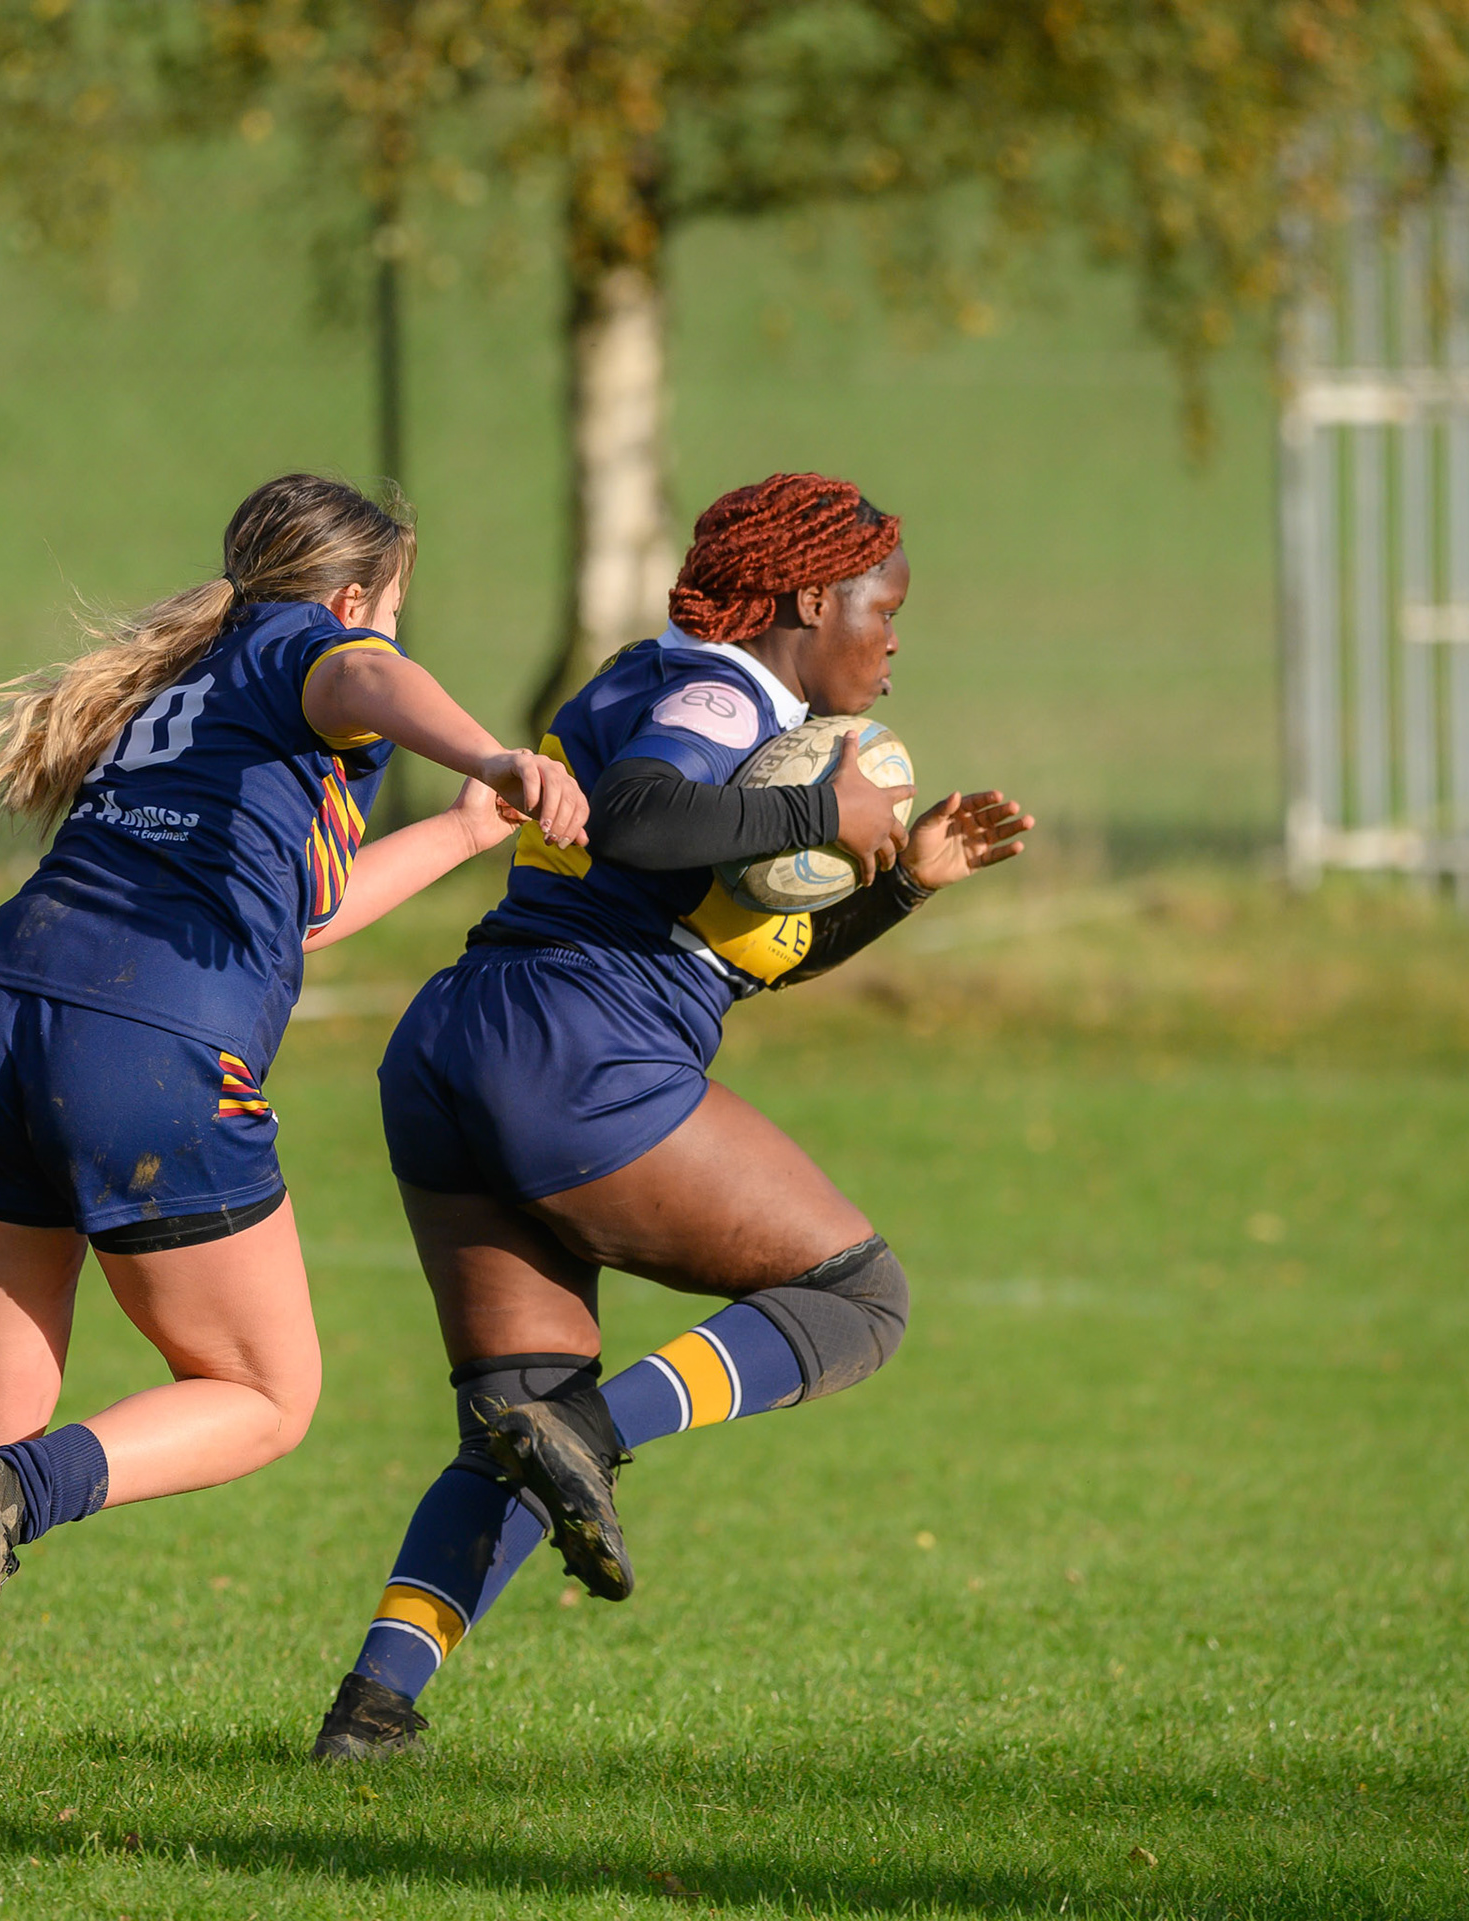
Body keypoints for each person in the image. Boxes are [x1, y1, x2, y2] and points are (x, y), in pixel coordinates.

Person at [0, 473, 589, 1812]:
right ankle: (18, 1494)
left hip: (1, 1008)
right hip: (146, 1042)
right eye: (385, 616)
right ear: (358, 597)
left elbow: (289, 918)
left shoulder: (197, 690)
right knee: (265, 1392)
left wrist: (470, 824)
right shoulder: (317, 647)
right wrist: (491, 749)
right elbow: (363, 674)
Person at [310, 471, 1033, 1761]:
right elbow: (645, 817)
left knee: (513, 1427)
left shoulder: (661, 677)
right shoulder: (726, 692)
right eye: (886, 607)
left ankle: (374, 1713)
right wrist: (823, 808)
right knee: (858, 1302)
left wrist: (902, 881)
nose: (896, 639)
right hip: (575, 1048)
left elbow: (744, 948)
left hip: (461, 1041)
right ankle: (587, 1433)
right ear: (811, 597)